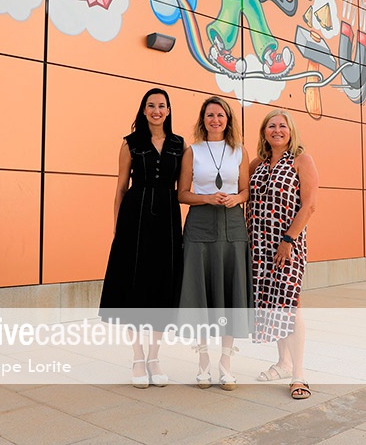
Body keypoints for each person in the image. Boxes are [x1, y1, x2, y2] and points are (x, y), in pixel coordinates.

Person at [99, 88, 184, 388]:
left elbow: (184, 186)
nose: (156, 111)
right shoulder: (130, 143)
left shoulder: (179, 145)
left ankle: (154, 357)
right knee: (134, 284)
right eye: (151, 105)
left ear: (168, 110)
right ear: (144, 110)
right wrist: (117, 227)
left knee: (162, 284)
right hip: (134, 219)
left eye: (161, 106)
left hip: (168, 221)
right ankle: (137, 356)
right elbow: (121, 187)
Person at [178, 96, 253, 390]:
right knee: (200, 292)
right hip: (199, 227)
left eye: (220, 115)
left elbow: (245, 190)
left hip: (232, 226)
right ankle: (203, 361)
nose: (215, 120)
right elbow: (182, 193)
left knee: (230, 292)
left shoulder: (239, 151)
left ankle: (225, 364)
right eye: (210, 115)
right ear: (203, 120)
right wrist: (207, 198)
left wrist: (236, 198)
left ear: (228, 119)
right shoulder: (192, 151)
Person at [247, 109, 318, 399]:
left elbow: (309, 205)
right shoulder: (256, 164)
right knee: (272, 304)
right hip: (258, 246)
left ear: (291, 131)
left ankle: (298, 374)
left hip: (288, 245)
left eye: (282, 126)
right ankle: (283, 363)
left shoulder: (302, 160)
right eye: (271, 126)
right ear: (264, 132)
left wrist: (288, 239)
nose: (277, 130)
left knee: (290, 304)